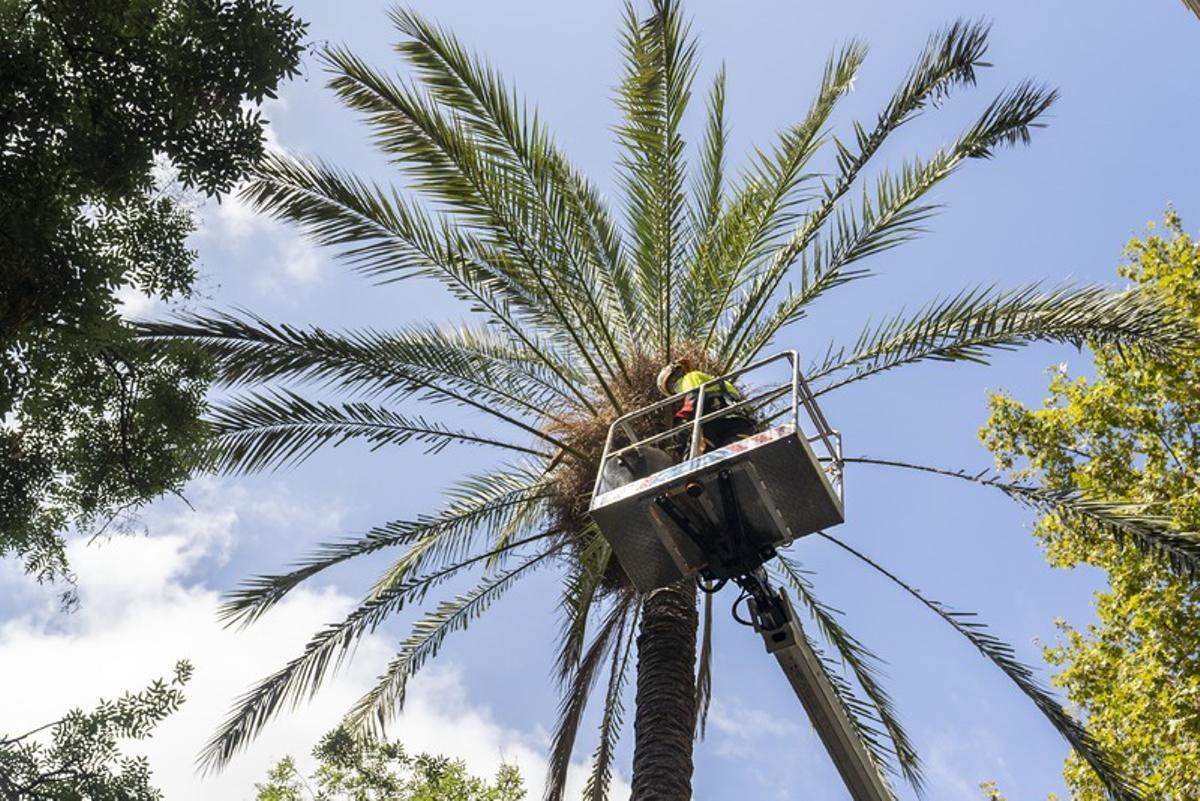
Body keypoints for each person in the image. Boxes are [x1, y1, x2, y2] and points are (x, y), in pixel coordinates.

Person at [656, 359, 756, 450]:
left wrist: (681, 423)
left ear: (675, 376)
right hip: (739, 423)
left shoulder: (690, 377)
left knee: (699, 453)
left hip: (715, 424)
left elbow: (694, 399)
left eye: (673, 386)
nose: (677, 389)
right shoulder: (717, 382)